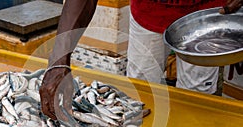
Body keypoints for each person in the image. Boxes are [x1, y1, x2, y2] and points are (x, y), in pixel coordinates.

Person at [40, 0, 242, 120]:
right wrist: (59, 61)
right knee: (140, 95)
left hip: (207, 16)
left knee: (198, 100)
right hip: (150, 12)